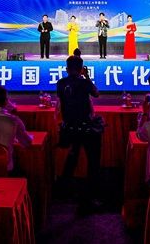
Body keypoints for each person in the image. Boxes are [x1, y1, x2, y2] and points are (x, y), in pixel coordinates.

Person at [56, 54, 102, 208]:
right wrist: (87, 77)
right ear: (82, 69)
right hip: (86, 127)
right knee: (93, 161)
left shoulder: (61, 83)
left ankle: (64, 191)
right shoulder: (84, 83)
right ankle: (91, 195)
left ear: (66, 69)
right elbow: (96, 93)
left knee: (72, 158)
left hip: (70, 127)